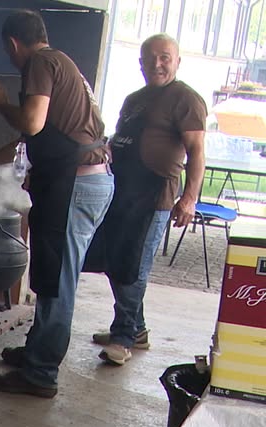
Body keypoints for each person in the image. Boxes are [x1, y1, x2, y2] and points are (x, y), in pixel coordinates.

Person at [0, 10, 113, 398]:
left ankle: (41, 375)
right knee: (53, 275)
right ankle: (37, 353)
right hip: (80, 182)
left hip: (76, 185)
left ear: (12, 44)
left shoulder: (40, 62)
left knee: (57, 281)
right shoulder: (61, 64)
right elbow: (30, 144)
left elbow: (32, 123)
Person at [84, 34, 206, 365]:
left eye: (165, 57)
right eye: (150, 59)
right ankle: (135, 327)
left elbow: (196, 151)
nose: (157, 64)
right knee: (115, 261)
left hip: (156, 196)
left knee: (134, 267)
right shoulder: (135, 98)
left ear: (178, 61)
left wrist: (189, 198)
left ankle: (124, 337)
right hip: (122, 191)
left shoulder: (186, 99)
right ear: (140, 64)